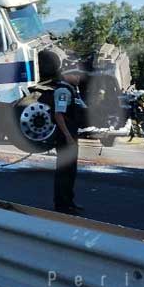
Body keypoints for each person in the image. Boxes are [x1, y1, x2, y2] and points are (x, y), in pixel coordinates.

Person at [53, 66, 87, 214]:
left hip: (71, 134)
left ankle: (69, 202)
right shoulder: (63, 91)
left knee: (71, 171)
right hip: (65, 136)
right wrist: (67, 136)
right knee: (64, 171)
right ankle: (62, 204)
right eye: (75, 74)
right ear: (67, 75)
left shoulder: (72, 90)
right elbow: (59, 115)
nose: (78, 77)